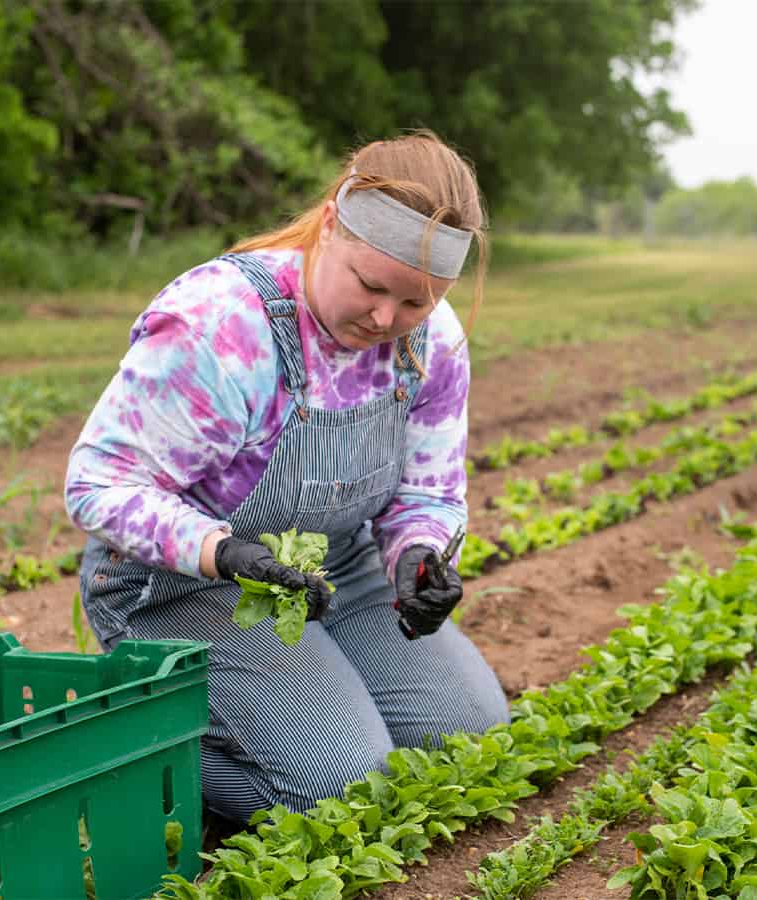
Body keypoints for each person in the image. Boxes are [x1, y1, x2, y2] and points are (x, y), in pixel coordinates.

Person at [65, 132, 510, 825]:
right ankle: (133, 740)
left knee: (465, 738)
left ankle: (310, 707)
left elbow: (429, 491)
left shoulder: (433, 340)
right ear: (331, 222)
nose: (386, 320)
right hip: (181, 583)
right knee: (339, 790)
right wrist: (222, 551)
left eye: (415, 302)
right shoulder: (223, 324)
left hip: (335, 569)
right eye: (370, 285)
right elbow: (98, 483)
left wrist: (419, 555)